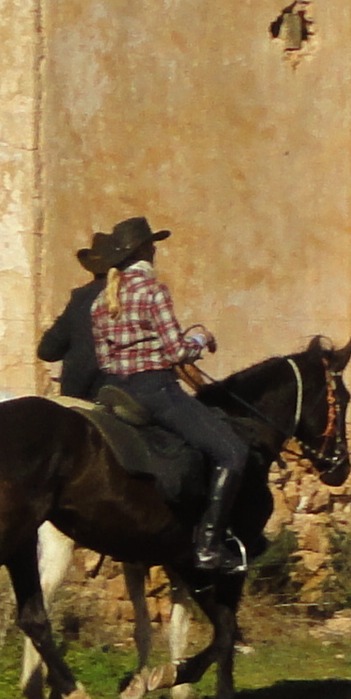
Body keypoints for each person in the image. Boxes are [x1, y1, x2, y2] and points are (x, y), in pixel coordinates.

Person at [85, 215, 251, 574]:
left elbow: (104, 360)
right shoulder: (153, 291)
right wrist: (201, 339)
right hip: (156, 391)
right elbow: (176, 353)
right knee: (233, 452)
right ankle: (208, 545)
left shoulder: (100, 302)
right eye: (153, 244)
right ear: (146, 250)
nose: (156, 249)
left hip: (115, 391)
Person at [37, 231, 119, 400]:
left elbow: (47, 350)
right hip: (115, 393)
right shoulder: (132, 295)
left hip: (76, 395)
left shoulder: (80, 299)